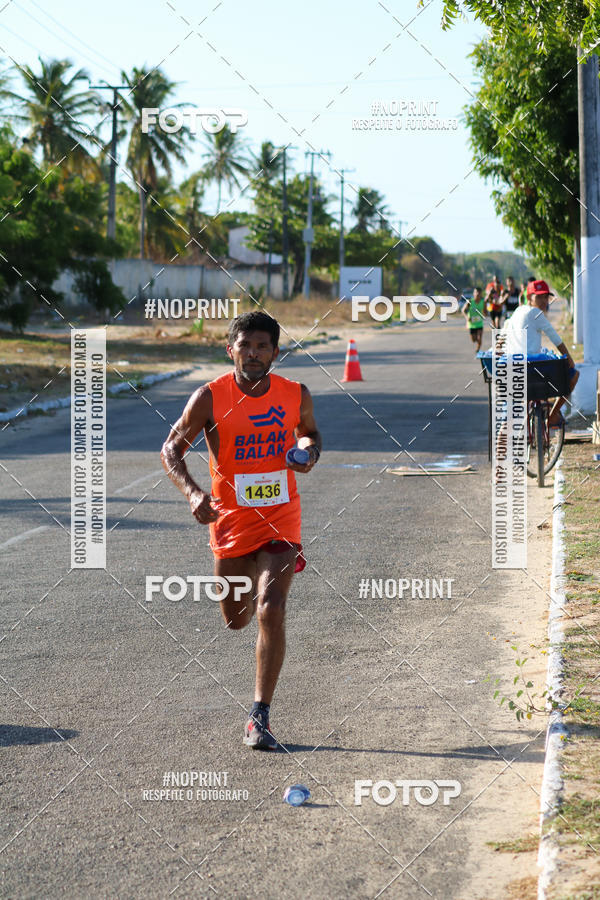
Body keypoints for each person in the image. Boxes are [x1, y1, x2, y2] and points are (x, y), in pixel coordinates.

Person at [160, 310, 322, 750]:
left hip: (281, 517)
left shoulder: (295, 394)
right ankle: (249, 589)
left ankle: (259, 715)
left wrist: (306, 452)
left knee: (271, 608)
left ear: (275, 352)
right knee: (237, 620)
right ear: (229, 349)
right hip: (231, 522)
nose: (253, 354)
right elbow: (171, 448)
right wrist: (194, 494)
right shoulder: (210, 397)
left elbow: (310, 436)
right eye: (245, 346)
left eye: (262, 347)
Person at [503, 279, 579, 425]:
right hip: (533, 369)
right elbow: (556, 340)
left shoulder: (518, 311)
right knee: (574, 375)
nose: (544, 300)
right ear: (530, 297)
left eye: (546, 297)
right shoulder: (536, 313)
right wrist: (570, 360)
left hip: (515, 367)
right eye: (539, 297)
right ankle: (553, 415)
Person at [462, 286, 486, 352]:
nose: (477, 294)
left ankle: (478, 349)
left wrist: (484, 314)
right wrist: (466, 317)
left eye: (479, 292)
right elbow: (463, 310)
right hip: (471, 324)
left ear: (481, 294)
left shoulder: (483, 302)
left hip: (479, 323)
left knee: (479, 338)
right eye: (476, 292)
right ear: (474, 293)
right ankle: (478, 343)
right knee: (474, 340)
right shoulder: (470, 301)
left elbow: (485, 312)